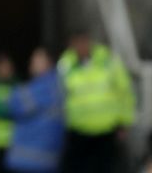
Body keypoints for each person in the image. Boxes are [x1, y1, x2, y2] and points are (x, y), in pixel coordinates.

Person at [57, 31, 135, 173]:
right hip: (78, 129)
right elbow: (58, 94)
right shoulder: (65, 64)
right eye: (76, 44)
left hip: (105, 129)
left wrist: (125, 121)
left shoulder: (108, 60)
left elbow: (124, 92)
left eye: (83, 42)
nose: (80, 47)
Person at [4, 48, 64, 173]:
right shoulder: (55, 84)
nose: (32, 61)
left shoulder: (46, 87)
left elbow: (14, 103)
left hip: (32, 160)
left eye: (37, 58)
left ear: (49, 62)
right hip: (43, 159)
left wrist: (10, 81)